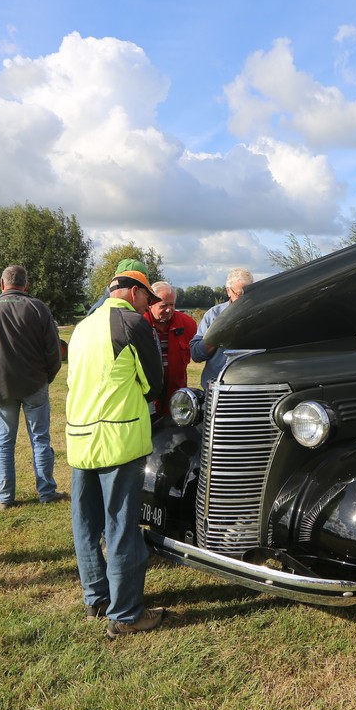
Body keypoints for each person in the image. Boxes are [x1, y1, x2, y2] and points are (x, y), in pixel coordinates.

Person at [66, 269, 166, 637]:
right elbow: (153, 384)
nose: (148, 306)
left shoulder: (83, 326)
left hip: (80, 436)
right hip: (118, 438)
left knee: (86, 522)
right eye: (148, 299)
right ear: (135, 293)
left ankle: (96, 597)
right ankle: (125, 614)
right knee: (121, 526)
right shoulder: (133, 324)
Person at [0, 264, 65, 509]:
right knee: (40, 440)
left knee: (4, 442)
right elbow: (54, 351)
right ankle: (46, 492)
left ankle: (4, 497)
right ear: (26, 285)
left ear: (2, 284)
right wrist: (47, 377)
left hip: (1, 386)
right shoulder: (38, 308)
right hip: (35, 384)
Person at [190, 267, 253, 388]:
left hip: (251, 386)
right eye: (240, 295)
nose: (244, 299)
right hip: (218, 387)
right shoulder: (213, 315)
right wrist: (218, 334)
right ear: (228, 291)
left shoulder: (261, 313)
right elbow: (196, 354)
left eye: (249, 294)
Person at [144, 281, 197, 418]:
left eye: (172, 305)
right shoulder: (138, 325)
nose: (169, 310)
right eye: (163, 306)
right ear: (150, 304)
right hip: (145, 400)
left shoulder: (188, 324)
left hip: (177, 401)